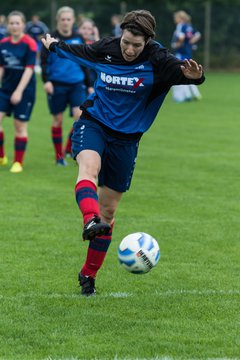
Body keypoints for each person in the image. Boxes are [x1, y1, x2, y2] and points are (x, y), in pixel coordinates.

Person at [42, 9, 205, 295]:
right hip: (93, 122)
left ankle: (88, 275)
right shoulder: (107, 48)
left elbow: (187, 73)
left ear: (148, 41)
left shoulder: (159, 62)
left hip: (127, 141)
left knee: (109, 210)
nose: (129, 49)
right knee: (88, 170)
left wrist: (195, 77)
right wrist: (54, 45)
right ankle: (88, 220)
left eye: (136, 45)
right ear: (121, 34)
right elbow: (79, 51)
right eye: (126, 42)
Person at [40, 6, 93, 165]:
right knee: (58, 119)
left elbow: (84, 62)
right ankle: (59, 157)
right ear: (58, 21)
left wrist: (89, 84)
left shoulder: (78, 38)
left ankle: (69, 148)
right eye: (62, 19)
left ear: (73, 21)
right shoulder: (50, 38)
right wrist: (47, 81)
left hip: (76, 84)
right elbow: (43, 62)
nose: (65, 22)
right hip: (57, 85)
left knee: (79, 117)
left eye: (68, 19)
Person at [0, 11, 37, 173]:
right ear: (8, 25)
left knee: (19, 126)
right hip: (6, 89)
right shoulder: (3, 43)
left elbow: (29, 70)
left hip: (25, 90)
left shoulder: (30, 43)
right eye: (11, 23)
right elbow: (1, 67)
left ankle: (18, 162)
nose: (14, 26)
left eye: (17, 23)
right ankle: (2, 157)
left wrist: (19, 91)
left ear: (23, 25)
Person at [171, 10, 202, 103]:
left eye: (175, 18)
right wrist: (191, 42)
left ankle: (184, 96)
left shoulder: (181, 25)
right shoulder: (189, 26)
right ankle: (196, 94)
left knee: (180, 73)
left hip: (181, 53)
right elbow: (198, 34)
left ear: (180, 18)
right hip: (188, 53)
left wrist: (177, 44)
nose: (175, 20)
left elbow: (181, 37)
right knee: (189, 74)